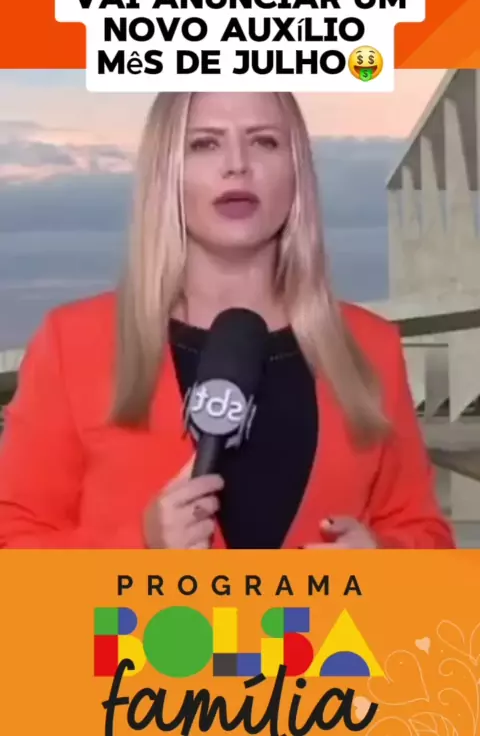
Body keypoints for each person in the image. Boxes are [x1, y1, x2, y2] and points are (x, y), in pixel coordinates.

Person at [0, 91, 455, 550]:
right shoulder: (73, 343)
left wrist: (383, 561)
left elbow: (426, 535)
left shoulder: (371, 347)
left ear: (297, 170)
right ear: (166, 172)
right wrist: (138, 547)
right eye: (205, 143)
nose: (238, 165)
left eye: (264, 141)